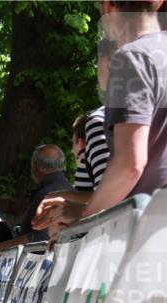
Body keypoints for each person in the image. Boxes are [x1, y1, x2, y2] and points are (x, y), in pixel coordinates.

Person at [35, 4, 165, 235]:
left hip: (146, 236)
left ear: (108, 7)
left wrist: (82, 218)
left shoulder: (132, 57)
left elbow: (129, 165)